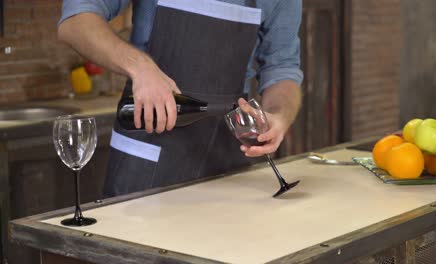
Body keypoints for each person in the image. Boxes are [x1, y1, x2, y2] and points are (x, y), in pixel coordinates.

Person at [58, 0, 303, 197]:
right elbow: (76, 21)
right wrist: (141, 67)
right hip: (149, 155)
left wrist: (279, 115)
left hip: (227, 158)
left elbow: (282, 68)